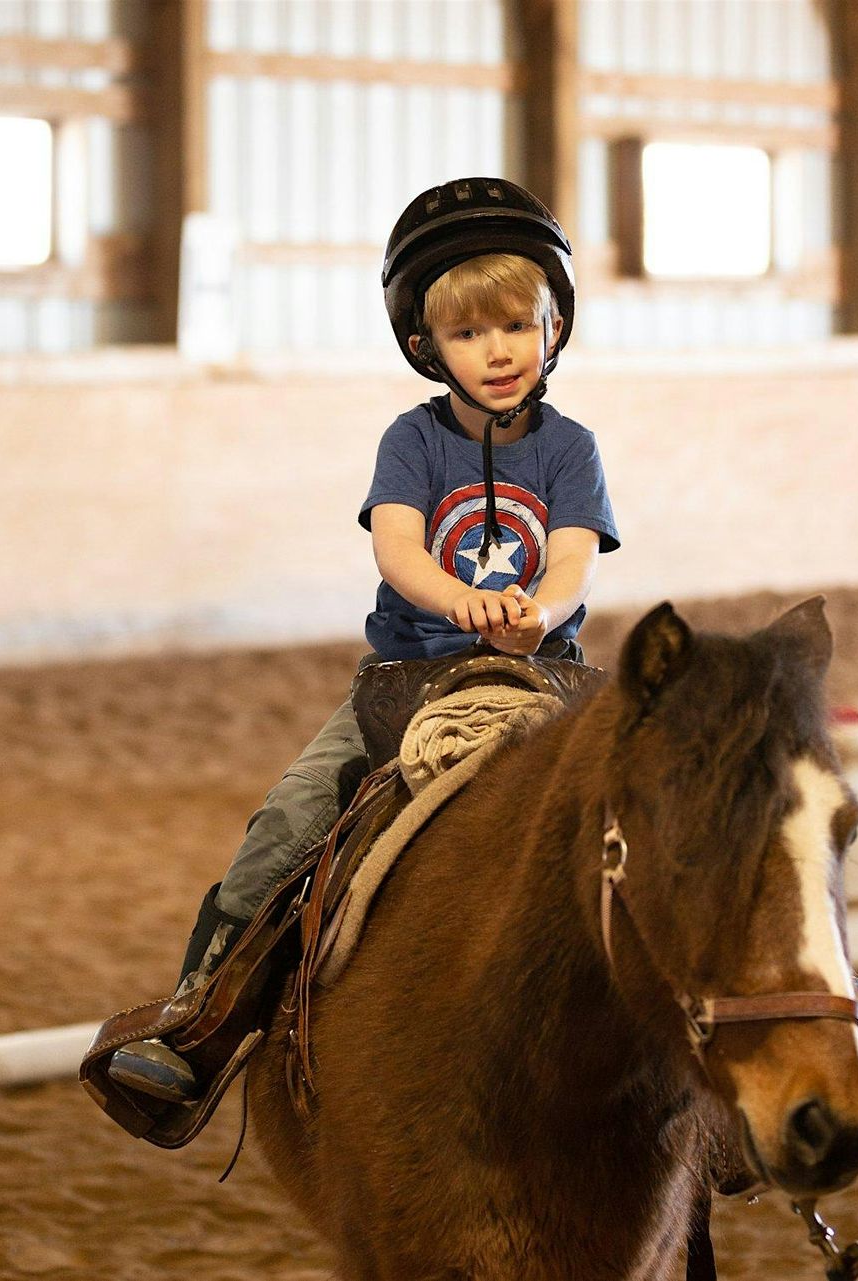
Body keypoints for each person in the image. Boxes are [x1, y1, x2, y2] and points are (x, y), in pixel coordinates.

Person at [108, 177, 620, 1103]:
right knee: (290, 818)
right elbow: (398, 550)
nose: (497, 351)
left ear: (554, 326)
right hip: (408, 681)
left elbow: (574, 560)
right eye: (469, 334)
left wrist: (539, 610)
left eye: (515, 325)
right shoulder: (412, 443)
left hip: (545, 675)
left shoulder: (571, 449)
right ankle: (202, 1019)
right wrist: (461, 598)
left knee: (649, 812)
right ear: (428, 347)